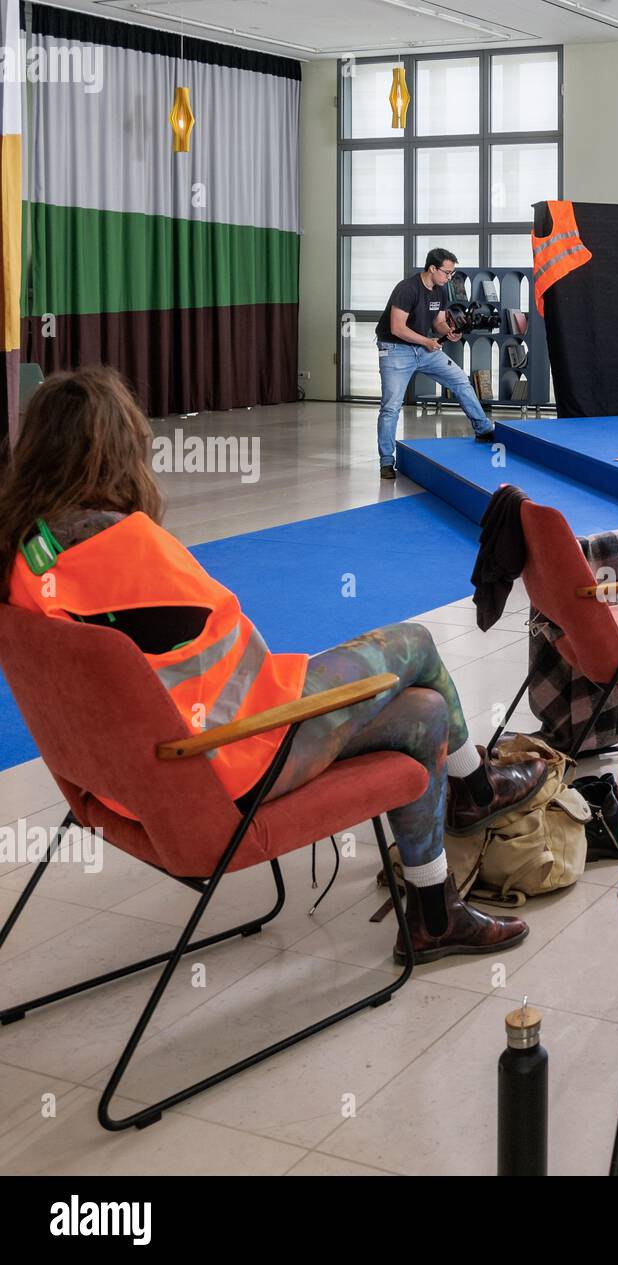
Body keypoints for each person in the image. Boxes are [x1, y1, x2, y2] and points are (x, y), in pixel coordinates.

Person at [0, 366, 544, 965]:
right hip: (233, 760)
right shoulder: (128, 547)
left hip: (126, 782)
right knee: (413, 642)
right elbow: (239, 662)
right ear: (117, 453)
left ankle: (434, 915)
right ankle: (476, 788)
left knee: (425, 712)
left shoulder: (24, 558)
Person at [375, 247, 495, 479]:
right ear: (432, 268)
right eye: (447, 273)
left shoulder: (440, 291)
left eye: (452, 273)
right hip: (394, 350)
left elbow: (439, 322)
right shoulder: (406, 289)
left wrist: (449, 331)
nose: (450, 277)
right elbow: (396, 328)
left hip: (424, 348)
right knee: (391, 406)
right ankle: (387, 461)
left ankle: (483, 430)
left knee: (461, 381)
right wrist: (427, 342)